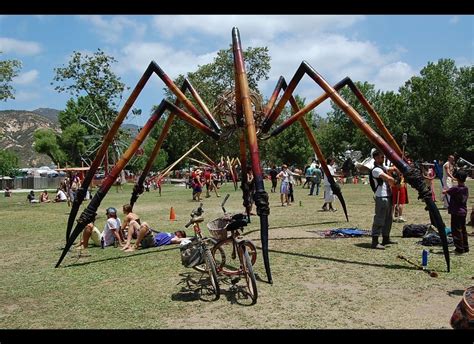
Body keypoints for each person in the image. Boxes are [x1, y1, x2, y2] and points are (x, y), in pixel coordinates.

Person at [369, 150, 398, 249]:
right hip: (381, 197)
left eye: (383, 157)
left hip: (388, 195)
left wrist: (398, 170)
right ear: (376, 158)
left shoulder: (383, 167)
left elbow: (392, 168)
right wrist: (397, 181)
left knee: (388, 219)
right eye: (381, 157)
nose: (383, 159)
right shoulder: (376, 170)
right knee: (379, 219)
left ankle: (386, 238)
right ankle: (375, 241)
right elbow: (388, 178)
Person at [443, 170, 469, 254]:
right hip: (463, 212)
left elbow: (446, 192)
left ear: (457, 178)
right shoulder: (465, 188)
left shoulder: (455, 188)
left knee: (456, 230)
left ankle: (459, 249)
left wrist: (444, 190)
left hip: (456, 212)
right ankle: (465, 247)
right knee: (463, 229)